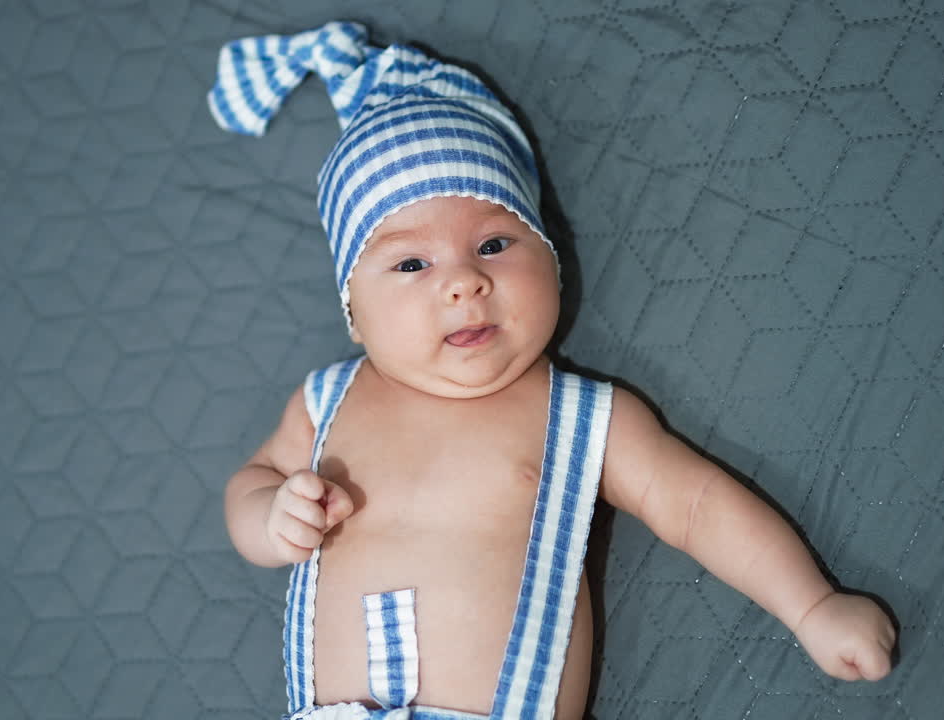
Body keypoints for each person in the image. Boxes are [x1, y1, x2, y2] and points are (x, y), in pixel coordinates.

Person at [212, 21, 896, 720]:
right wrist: (271, 517)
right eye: (412, 263)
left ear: (550, 261)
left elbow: (696, 507)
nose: (463, 282)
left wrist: (811, 605)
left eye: (494, 243)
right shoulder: (325, 403)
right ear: (353, 310)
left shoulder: (583, 417)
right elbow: (250, 485)